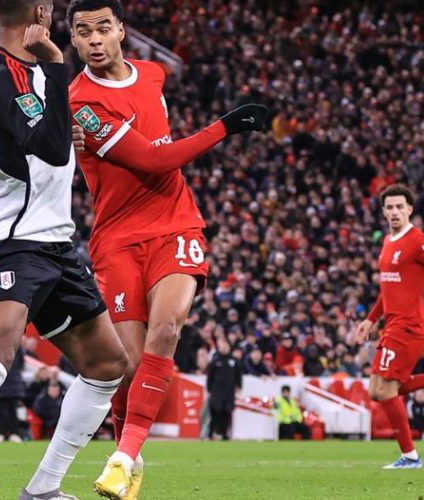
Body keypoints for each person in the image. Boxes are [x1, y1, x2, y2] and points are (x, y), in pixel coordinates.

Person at [64, 1, 269, 496]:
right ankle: (129, 458)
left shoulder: (153, 74)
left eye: (103, 28)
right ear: (72, 39)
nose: (94, 39)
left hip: (176, 225)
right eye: (84, 32)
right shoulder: (81, 103)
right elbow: (155, 161)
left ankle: (122, 457)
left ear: (121, 31)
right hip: (116, 239)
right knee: (126, 368)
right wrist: (225, 126)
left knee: (167, 328)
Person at [0, 1, 128, 498]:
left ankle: (42, 489)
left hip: (54, 240)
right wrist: (59, 65)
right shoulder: (9, 74)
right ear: (40, 11)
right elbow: (54, 152)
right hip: (11, 239)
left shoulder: (11, 72)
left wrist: (49, 126)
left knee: (106, 363)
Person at [351, 184, 424, 469]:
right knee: (376, 391)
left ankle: (411, 456)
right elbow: (388, 289)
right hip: (392, 325)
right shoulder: (388, 241)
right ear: (383, 212)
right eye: (389, 207)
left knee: (385, 391)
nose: (395, 212)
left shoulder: (418, 240)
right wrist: (370, 320)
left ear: (410, 209)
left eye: (400, 206)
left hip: (410, 326)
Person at [205, 340, 242, 440]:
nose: (224, 349)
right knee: (215, 412)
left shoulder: (234, 361)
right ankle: (211, 433)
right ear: (219, 348)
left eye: (226, 347)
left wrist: (238, 386)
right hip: (217, 391)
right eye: (223, 347)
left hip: (229, 391)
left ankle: (225, 434)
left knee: (227, 412)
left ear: (229, 348)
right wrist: (209, 389)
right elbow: (210, 376)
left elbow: (238, 375)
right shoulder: (215, 361)